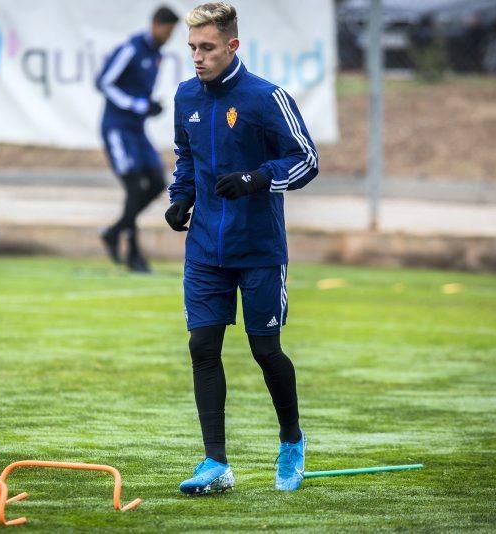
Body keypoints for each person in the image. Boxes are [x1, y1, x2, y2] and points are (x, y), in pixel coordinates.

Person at [165, 2, 319, 494]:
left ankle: (292, 442)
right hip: (205, 248)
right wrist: (180, 200)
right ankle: (215, 464)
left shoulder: (266, 98)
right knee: (202, 347)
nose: (197, 57)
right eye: (192, 48)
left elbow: (307, 160)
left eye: (207, 47)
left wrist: (257, 179)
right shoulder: (186, 96)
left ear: (232, 46)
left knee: (265, 350)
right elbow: (186, 159)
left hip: (259, 249)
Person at [96, 6, 180, 273]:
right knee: (134, 187)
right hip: (117, 129)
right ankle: (133, 253)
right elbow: (103, 82)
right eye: (167, 30)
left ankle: (114, 231)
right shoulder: (132, 49)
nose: (168, 36)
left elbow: (139, 97)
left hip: (137, 131)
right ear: (155, 24)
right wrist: (137, 105)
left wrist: (150, 107)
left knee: (156, 183)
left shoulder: (156, 55)